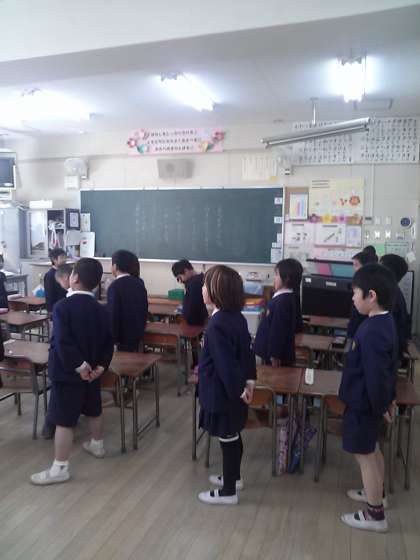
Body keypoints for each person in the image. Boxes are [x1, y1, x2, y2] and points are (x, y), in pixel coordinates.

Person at [31, 258, 114, 485]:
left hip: (69, 373)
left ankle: (60, 468)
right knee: (94, 409)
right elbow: (108, 342)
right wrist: (100, 366)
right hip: (93, 372)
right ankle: (97, 444)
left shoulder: (62, 307)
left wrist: (80, 366)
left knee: (64, 420)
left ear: (74, 278)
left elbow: (62, 342)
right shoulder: (102, 309)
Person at [339, 263, 398, 533]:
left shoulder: (373, 330)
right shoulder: (383, 321)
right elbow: (387, 370)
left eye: (355, 292)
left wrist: (382, 404)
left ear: (371, 296)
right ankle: (377, 494)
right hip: (370, 402)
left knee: (365, 455)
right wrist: (387, 399)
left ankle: (375, 515)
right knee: (372, 450)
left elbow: (377, 374)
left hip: (364, 404)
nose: (353, 298)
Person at [197, 265, 256, 505]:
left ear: (217, 291)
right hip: (235, 390)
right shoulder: (235, 317)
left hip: (223, 393)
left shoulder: (217, 323)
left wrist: (240, 390)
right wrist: (249, 383)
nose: (202, 289)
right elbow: (247, 354)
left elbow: (225, 364)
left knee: (228, 438)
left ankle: (229, 491)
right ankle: (234, 477)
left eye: (205, 285)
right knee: (232, 434)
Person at [254, 259, 298, 366]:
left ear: (286, 278)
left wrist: (275, 355)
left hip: (276, 357)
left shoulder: (282, 301)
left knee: (276, 376)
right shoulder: (285, 297)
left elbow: (278, 329)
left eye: (277, 275)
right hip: (271, 352)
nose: (274, 278)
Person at [107, 250, 148, 352]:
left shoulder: (114, 286)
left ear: (115, 266)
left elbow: (113, 316)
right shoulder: (139, 282)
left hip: (121, 339)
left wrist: (112, 340)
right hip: (137, 334)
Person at [172, 259, 208, 366]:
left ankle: (197, 364)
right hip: (198, 318)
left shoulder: (194, 284)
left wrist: (185, 317)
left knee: (195, 343)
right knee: (195, 344)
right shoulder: (196, 280)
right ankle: (196, 363)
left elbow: (193, 306)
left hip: (195, 321)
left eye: (180, 277)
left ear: (186, 271)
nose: (180, 281)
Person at [379, 253, 410, 360]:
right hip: (391, 350)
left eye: (380, 267)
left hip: (387, 352)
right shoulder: (393, 291)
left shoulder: (389, 296)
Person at [347, 250, 378, 338]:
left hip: (361, 329)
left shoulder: (368, 284)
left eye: (356, 265)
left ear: (366, 266)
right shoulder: (360, 281)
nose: (354, 268)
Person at [44, 248, 67, 314]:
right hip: (56, 308)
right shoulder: (50, 275)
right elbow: (49, 294)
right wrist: (50, 310)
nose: (64, 260)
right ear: (54, 259)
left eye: (65, 257)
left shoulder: (64, 272)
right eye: (62, 258)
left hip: (65, 305)